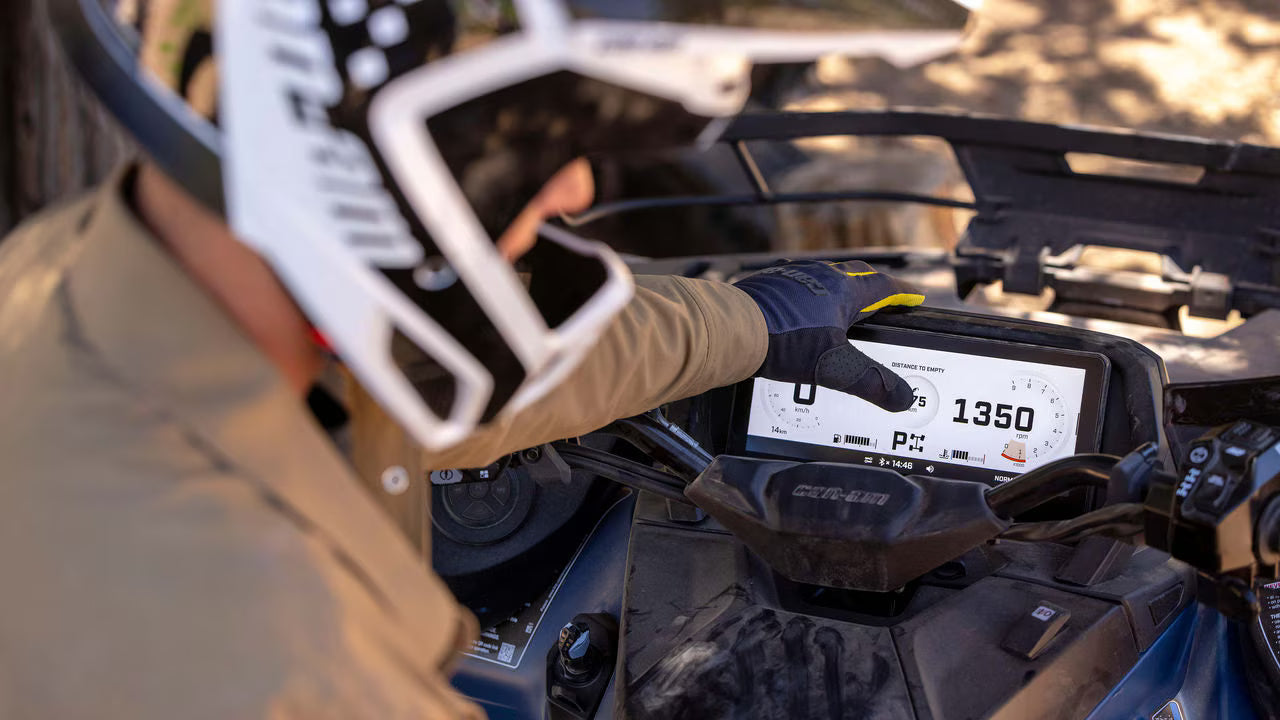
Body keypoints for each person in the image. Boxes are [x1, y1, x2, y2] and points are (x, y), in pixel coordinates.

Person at [0, 0, 970, 716]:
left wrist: (754, 326)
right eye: (546, 133)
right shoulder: (276, 663)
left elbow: (513, 369)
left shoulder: (87, 278)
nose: (578, 181)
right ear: (359, 134)